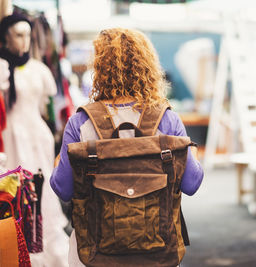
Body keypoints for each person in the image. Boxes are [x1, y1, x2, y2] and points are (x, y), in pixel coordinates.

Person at [50, 28, 204, 266]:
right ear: (147, 66)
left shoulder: (81, 122)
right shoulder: (167, 119)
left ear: (99, 68)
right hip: (158, 254)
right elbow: (192, 184)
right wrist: (191, 153)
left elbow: (63, 189)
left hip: (93, 254)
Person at [0, 13, 70, 266]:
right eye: (18, 35)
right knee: (17, 190)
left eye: (28, 35)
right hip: (12, 138)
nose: (25, 41)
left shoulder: (40, 70)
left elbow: (45, 105)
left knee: (42, 191)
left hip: (37, 137)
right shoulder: (2, 69)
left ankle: (46, 245)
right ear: (6, 38)